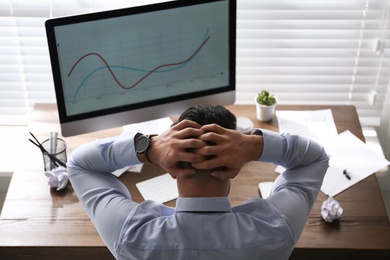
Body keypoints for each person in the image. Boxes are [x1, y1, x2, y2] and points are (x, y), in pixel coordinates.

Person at [67, 105, 329, 260]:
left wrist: (148, 147)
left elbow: (79, 163)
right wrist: (254, 146)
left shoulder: (130, 235)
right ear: (233, 169)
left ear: (172, 169)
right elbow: (315, 158)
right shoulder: (275, 231)